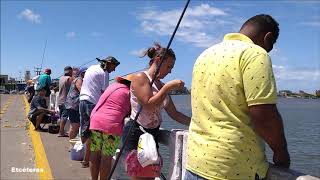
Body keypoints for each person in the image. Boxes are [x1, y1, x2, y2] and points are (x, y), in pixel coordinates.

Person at [185, 14, 290, 180]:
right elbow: (264, 115)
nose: (269, 50)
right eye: (271, 45)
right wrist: (281, 152)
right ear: (267, 37)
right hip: (233, 168)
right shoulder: (255, 54)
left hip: (195, 163)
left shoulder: (205, 54)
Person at [122, 42, 190, 180]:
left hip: (152, 135)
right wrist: (167, 88)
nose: (170, 71)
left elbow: (174, 113)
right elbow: (148, 104)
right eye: (169, 66)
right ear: (158, 61)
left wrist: (195, 123)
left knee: (151, 175)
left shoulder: (161, 85)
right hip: (137, 133)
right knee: (140, 175)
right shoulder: (140, 78)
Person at [79, 56, 120, 168]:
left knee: (85, 129)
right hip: (92, 103)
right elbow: (104, 93)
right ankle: (87, 160)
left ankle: (84, 157)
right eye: (114, 66)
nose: (114, 69)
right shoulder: (104, 73)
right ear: (109, 63)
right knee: (93, 133)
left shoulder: (91, 68)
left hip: (82, 100)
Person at [89, 76, 132, 180]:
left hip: (95, 121)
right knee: (106, 157)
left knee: (95, 153)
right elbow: (132, 111)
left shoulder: (112, 87)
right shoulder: (129, 93)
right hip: (111, 125)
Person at [65, 67, 87, 142]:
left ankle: (72, 144)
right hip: (73, 105)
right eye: (85, 72)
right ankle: (71, 145)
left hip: (73, 105)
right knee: (75, 126)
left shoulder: (79, 80)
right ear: (82, 73)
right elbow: (81, 90)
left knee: (74, 125)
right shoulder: (79, 80)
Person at [57, 66, 73, 137]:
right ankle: (61, 132)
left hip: (60, 100)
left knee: (61, 116)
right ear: (70, 71)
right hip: (66, 100)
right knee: (64, 117)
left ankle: (61, 131)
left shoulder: (61, 78)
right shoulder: (69, 79)